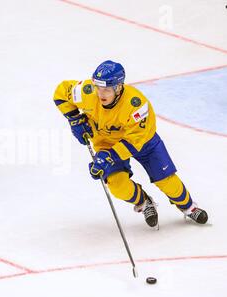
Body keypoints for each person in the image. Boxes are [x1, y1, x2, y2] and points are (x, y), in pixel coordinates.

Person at [53, 60, 208, 228]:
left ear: (119, 87)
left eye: (106, 89)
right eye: (98, 87)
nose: (100, 93)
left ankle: (188, 206)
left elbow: (136, 141)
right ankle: (144, 202)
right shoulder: (87, 91)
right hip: (106, 142)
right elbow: (60, 93)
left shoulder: (136, 105)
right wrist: (74, 119)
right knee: (117, 186)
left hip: (143, 143)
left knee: (168, 182)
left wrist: (108, 157)